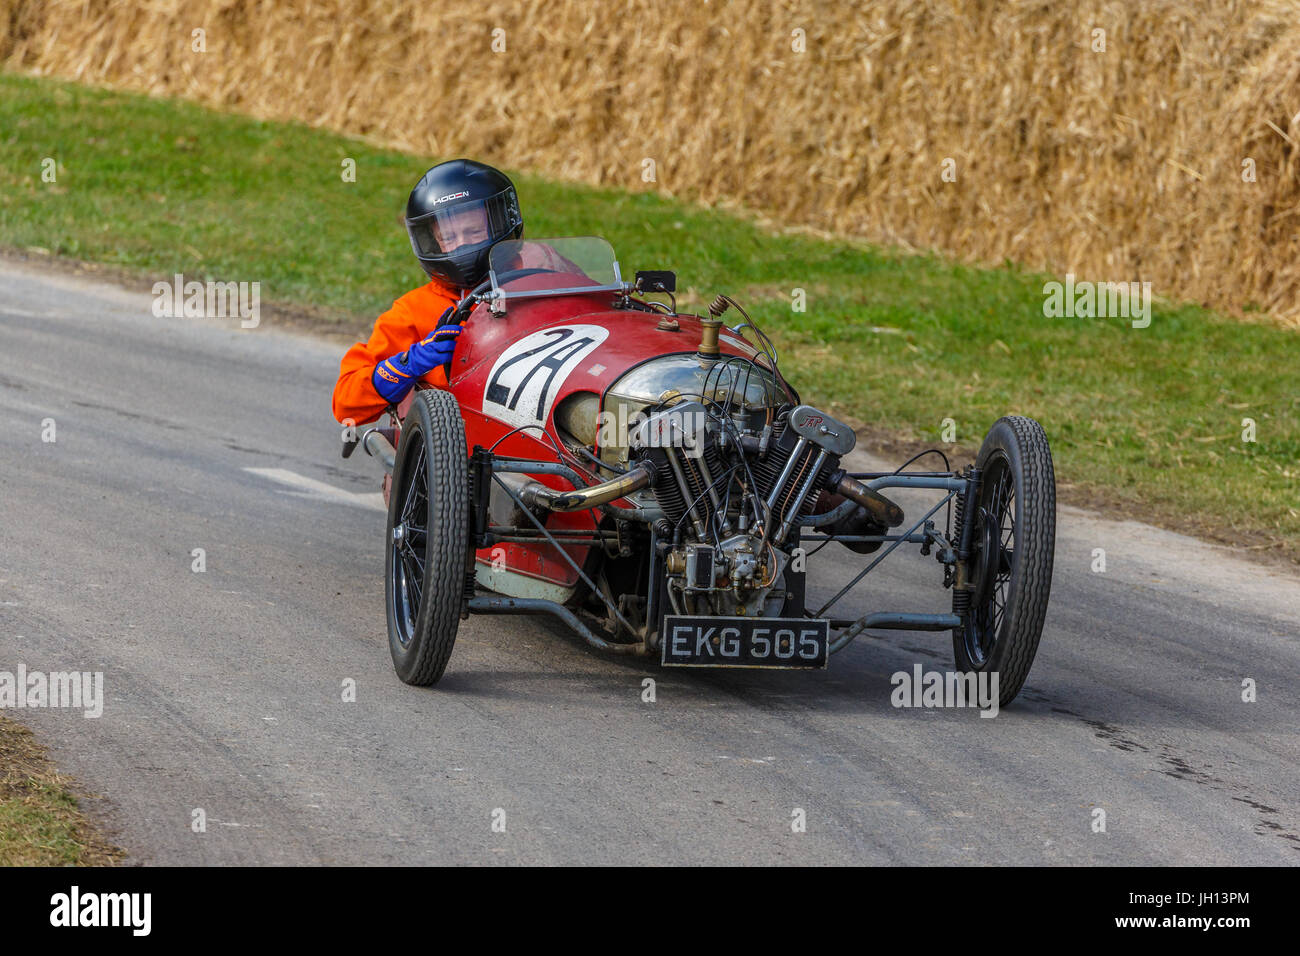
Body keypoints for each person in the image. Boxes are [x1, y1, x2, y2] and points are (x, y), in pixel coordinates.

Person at [331, 158, 523, 425]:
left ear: (502, 224)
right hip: (457, 446)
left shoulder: (542, 282)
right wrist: (410, 362)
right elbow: (345, 404)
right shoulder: (413, 311)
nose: (462, 245)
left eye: (475, 231)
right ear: (432, 242)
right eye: (449, 238)